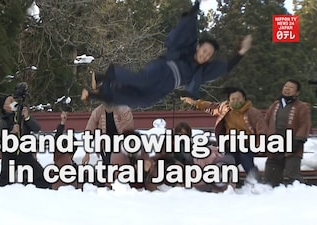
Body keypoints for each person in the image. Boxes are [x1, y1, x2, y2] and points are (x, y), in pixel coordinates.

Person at [81, 0, 252, 108]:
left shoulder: (202, 71)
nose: (205, 55)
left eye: (209, 55)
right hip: (163, 69)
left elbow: (225, 67)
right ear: (199, 47)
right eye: (205, 51)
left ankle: (97, 94)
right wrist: (196, 6)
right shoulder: (188, 46)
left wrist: (242, 52)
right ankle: (107, 75)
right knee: (142, 81)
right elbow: (188, 24)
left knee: (142, 101)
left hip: (167, 86)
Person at [181, 87, 269, 179]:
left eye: (238, 99)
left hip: (248, 144)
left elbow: (262, 130)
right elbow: (211, 106)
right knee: (227, 160)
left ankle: (254, 180)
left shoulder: (253, 113)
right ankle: (223, 182)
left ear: (244, 99)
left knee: (244, 156)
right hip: (230, 144)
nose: (236, 101)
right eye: (233, 99)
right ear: (229, 100)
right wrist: (195, 103)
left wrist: (260, 144)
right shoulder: (225, 108)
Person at [264, 79, 311, 187]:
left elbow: (304, 125)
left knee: (292, 176)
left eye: (291, 88)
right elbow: (266, 121)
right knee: (270, 177)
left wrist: (298, 141)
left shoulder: (301, 107)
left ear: (297, 92)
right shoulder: (275, 105)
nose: (287, 89)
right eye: (286, 86)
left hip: (292, 145)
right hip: (275, 144)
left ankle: (298, 195)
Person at [0, 95, 49, 188]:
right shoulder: (3, 121)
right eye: (10, 101)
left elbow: (36, 128)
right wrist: (12, 133)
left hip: (25, 153)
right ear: (4, 106)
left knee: (40, 177)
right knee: (5, 181)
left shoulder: (22, 117)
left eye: (14, 100)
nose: (14, 102)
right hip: (10, 156)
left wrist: (27, 118)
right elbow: (2, 139)